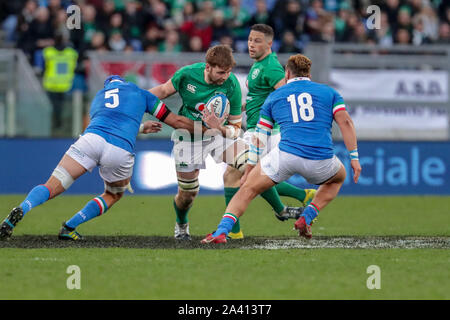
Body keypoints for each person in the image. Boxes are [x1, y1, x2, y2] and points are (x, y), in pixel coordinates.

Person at [0, 75, 200, 241]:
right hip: (119, 149)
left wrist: (139, 128)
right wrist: (206, 129)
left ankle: (22, 208)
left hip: (91, 139)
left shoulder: (99, 97)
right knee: (113, 194)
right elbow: (176, 121)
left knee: (52, 184)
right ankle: (70, 227)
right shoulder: (140, 93)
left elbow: (109, 121)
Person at [201, 54, 362, 244]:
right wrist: (354, 157)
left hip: (286, 155)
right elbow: (346, 122)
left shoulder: (274, 97)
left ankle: (222, 231)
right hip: (321, 158)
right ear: (308, 73)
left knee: (247, 189)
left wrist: (250, 169)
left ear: (287, 73)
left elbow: (260, 136)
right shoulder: (330, 93)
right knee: (337, 179)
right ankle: (306, 217)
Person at [220, 24, 315, 240]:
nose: (251, 44)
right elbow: (259, 97)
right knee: (247, 176)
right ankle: (300, 197)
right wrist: (242, 108)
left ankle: (236, 232)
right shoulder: (258, 65)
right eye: (250, 39)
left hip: (265, 133)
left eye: (257, 41)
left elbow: (285, 95)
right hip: (254, 129)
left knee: (235, 175)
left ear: (269, 44)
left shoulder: (271, 67)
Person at [149, 45, 248, 241]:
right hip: (189, 136)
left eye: (228, 72)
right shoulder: (188, 74)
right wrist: (135, 96)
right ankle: (181, 224)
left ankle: (239, 224)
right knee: (187, 195)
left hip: (219, 134)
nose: (225, 77)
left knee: (250, 163)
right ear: (208, 67)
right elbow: (162, 90)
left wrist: (218, 128)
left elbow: (236, 129)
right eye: (221, 72)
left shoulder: (232, 85)